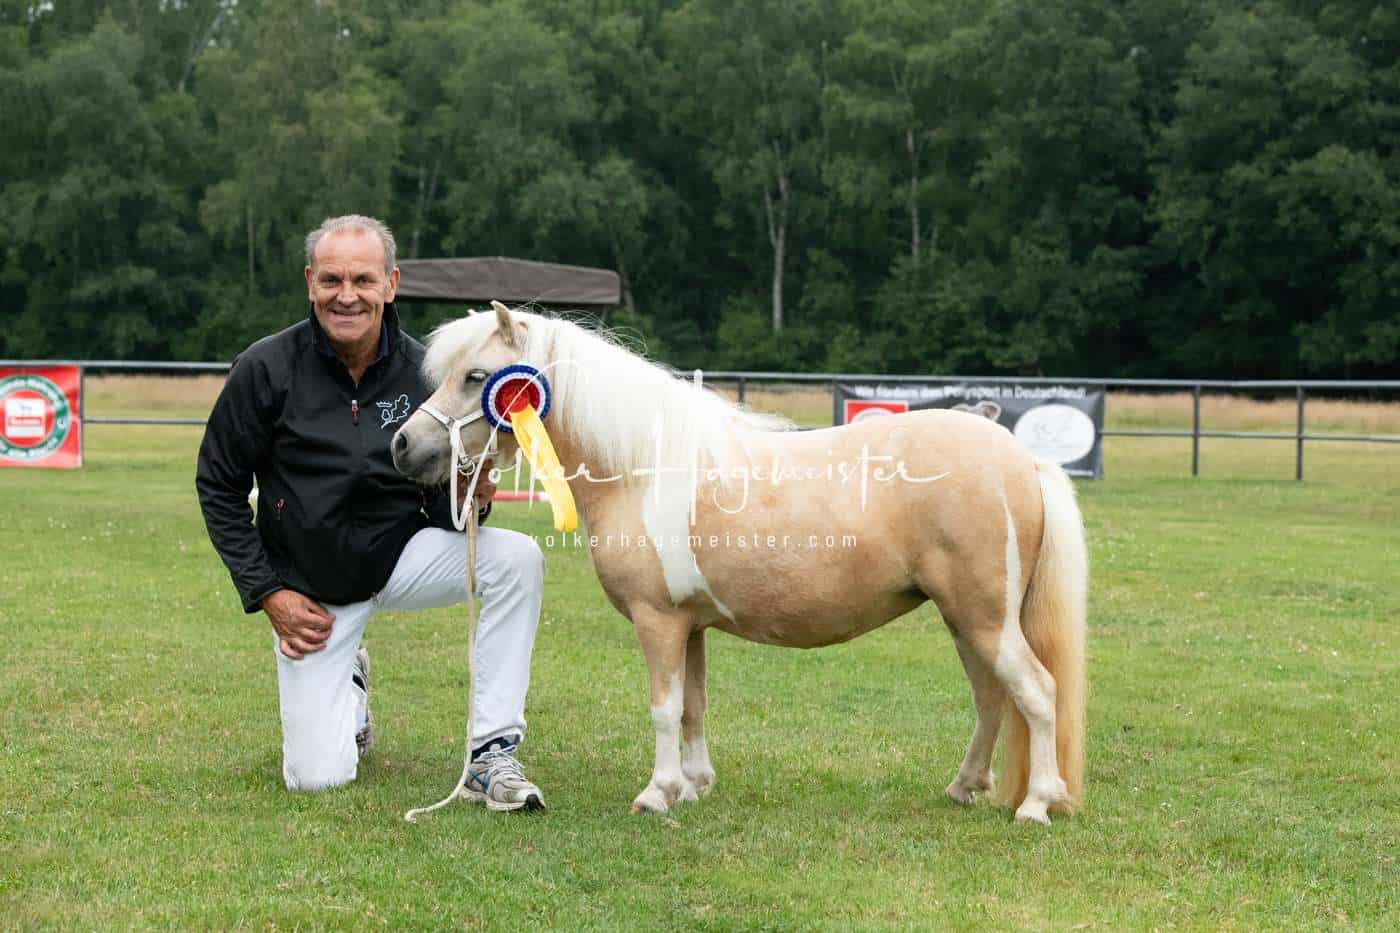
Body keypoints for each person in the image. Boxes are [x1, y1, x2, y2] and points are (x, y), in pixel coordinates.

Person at [196, 214, 546, 810]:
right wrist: (268, 593)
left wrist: (471, 495)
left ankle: (491, 755)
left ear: (391, 283)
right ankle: (351, 683)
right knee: (319, 780)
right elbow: (218, 486)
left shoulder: (427, 371)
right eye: (331, 279)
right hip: (313, 593)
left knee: (518, 559)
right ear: (310, 282)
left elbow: (446, 511)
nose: (347, 295)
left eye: (363, 279)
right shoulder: (264, 368)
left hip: (401, 557)